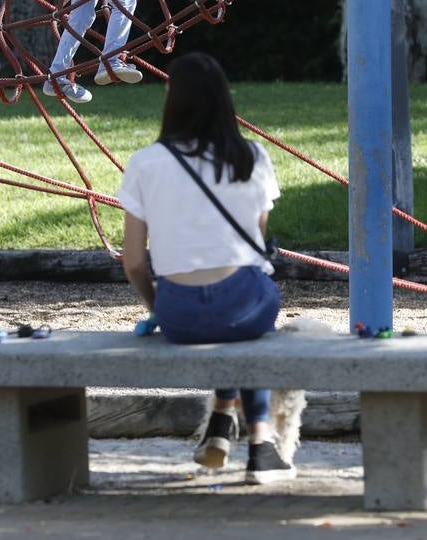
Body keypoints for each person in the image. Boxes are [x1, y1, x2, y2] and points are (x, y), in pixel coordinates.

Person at [115, 52, 296, 484]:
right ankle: (259, 445)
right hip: (244, 305)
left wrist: (158, 308)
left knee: (221, 319)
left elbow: (135, 262)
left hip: (179, 314)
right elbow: (250, 246)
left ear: (170, 98)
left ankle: (220, 417)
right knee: (244, 317)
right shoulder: (251, 157)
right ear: (224, 100)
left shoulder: (145, 163)